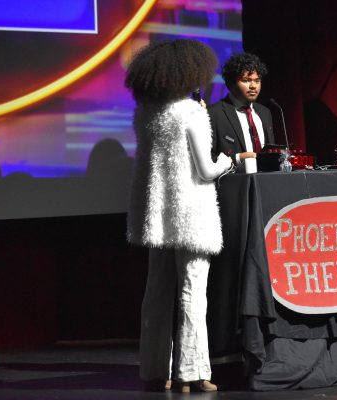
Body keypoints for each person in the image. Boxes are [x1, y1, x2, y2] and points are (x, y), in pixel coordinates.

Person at [124, 39, 233, 393]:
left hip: (157, 215)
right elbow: (205, 170)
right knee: (192, 292)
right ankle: (192, 372)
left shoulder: (146, 112)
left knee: (156, 292)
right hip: (191, 214)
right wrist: (228, 162)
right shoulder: (190, 113)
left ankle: (156, 371)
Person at [208, 52, 275, 165]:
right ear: (231, 84)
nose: (253, 86)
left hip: (265, 180)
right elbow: (206, 160)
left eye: (257, 81)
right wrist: (238, 158)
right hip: (234, 181)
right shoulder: (214, 113)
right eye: (246, 81)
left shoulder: (265, 112)